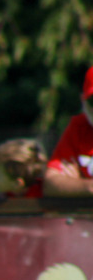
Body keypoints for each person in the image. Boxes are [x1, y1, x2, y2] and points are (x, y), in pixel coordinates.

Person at [43, 65, 93, 197]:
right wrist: (88, 187)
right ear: (83, 101)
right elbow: (50, 183)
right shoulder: (79, 127)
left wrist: (75, 183)